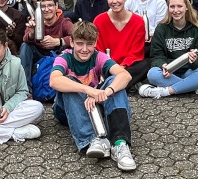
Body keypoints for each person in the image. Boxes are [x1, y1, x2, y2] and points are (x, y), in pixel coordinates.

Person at [50, 20, 136, 171]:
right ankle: (92, 140)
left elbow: (125, 75)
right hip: (67, 110)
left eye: (89, 44)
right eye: (80, 43)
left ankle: (119, 144)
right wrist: (88, 90)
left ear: (95, 43)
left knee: (114, 81)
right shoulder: (64, 58)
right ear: (72, 43)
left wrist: (106, 91)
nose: (84, 49)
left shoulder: (98, 56)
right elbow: (54, 80)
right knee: (69, 82)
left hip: (93, 107)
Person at [140, 0, 198, 98]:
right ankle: (195, 86)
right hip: (168, 73)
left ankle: (166, 91)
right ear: (168, 8)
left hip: (189, 71)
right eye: (172, 6)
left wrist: (194, 60)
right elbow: (156, 56)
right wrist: (163, 66)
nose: (176, 10)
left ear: (186, 7)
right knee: (152, 74)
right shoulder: (161, 28)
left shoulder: (197, 28)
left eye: (180, 6)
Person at [96, 0, 151, 85]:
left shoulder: (138, 21)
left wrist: (121, 68)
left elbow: (136, 53)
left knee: (146, 64)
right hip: (107, 65)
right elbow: (99, 50)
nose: (114, 1)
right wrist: (112, 68)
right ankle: (120, 84)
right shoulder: (99, 20)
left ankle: (112, 84)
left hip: (129, 66)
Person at [20, 0, 73, 85]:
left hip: (58, 53)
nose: (46, 9)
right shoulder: (35, 20)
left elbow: (78, 38)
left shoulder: (64, 22)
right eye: (43, 6)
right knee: (25, 47)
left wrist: (59, 41)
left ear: (56, 6)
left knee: (70, 49)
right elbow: (25, 39)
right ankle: (26, 88)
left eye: (50, 5)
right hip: (39, 53)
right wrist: (32, 34)